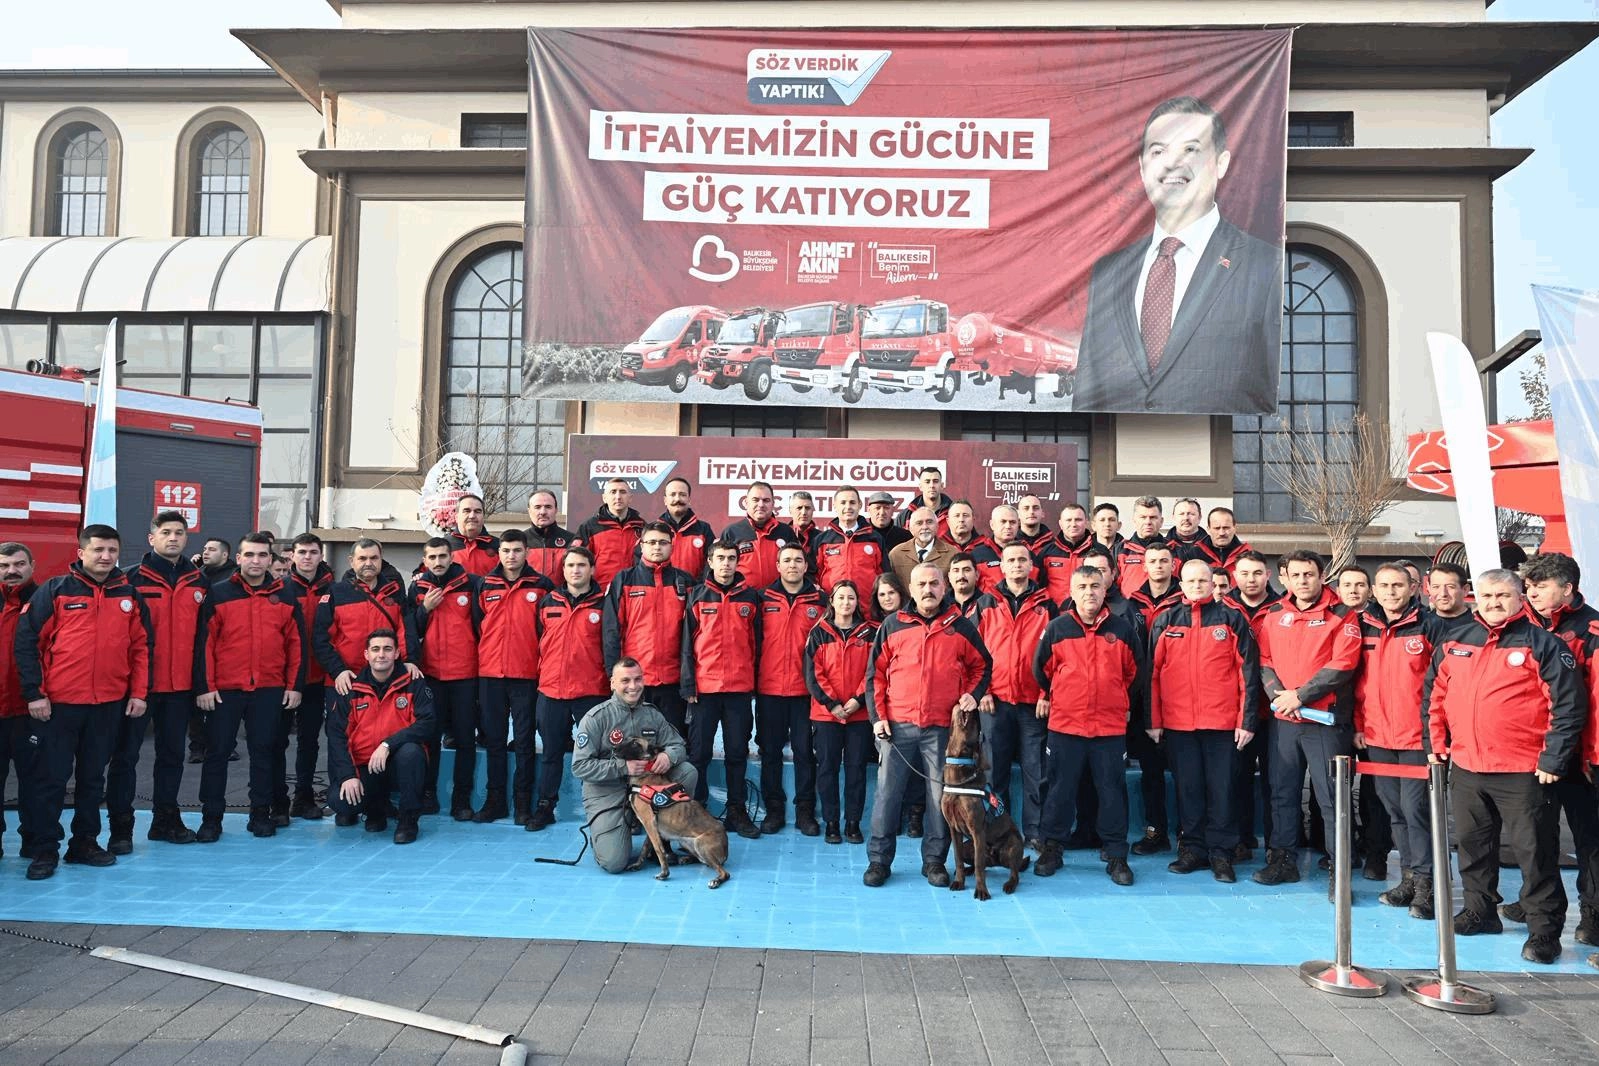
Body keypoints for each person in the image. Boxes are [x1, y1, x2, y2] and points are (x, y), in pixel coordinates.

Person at [1073, 95, 1280, 414]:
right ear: (1142, 167)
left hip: (1220, 444)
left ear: (1221, 163)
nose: (1172, 163)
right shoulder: (1109, 272)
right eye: (1158, 151)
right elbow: (1088, 392)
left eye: (1190, 149)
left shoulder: (1265, 265)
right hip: (1115, 444)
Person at [1423, 569, 1585, 964]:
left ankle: (1544, 931)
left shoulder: (1543, 643)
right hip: (1467, 766)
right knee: (1473, 847)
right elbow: (1436, 695)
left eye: (1503, 596)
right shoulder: (1456, 640)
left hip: (1524, 770)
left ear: (1519, 599)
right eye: (1487, 595)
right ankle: (1480, 911)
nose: (1494, 603)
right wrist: (1436, 743)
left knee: (1535, 853)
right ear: (1476, 598)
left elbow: (1568, 705)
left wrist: (1553, 758)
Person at [14, 525, 151, 880]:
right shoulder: (55, 590)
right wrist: (35, 694)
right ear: (81, 552)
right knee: (51, 779)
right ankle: (45, 849)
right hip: (59, 705)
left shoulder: (130, 595)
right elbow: (27, 644)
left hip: (108, 704)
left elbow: (140, 648)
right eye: (98, 549)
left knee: (92, 780)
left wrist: (138, 693)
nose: (105, 556)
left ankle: (84, 843)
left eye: (112, 550)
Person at [863, 562, 992, 888]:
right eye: (921, 584)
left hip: (941, 729)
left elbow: (983, 665)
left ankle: (934, 861)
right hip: (897, 727)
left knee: (939, 800)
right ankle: (879, 861)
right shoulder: (893, 624)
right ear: (911, 588)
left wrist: (973, 694)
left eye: (934, 583)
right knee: (887, 797)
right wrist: (878, 718)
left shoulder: (960, 626)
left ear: (944, 587)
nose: (928, 590)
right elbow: (875, 676)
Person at [1254, 549, 1362, 888]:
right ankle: (1283, 860)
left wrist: (1300, 696)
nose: (1303, 581)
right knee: (1282, 794)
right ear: (1284, 578)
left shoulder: (1342, 615)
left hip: (1324, 723)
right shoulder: (1274, 614)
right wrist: (1280, 697)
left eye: (1309, 574)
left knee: (1331, 798)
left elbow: (1343, 664)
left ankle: (1339, 869)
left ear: (1321, 576)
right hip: (1285, 722)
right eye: (1296, 575)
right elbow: (1264, 661)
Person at [1032, 565, 1145, 885]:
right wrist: (1063, 696)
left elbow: (1135, 673)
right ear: (1071, 591)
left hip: (1108, 729)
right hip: (1066, 726)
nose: (1089, 592)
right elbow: (1041, 670)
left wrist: (1116, 698)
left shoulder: (1122, 628)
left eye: (1095, 585)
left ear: (1104, 589)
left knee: (1112, 792)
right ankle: (1052, 848)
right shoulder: (1057, 628)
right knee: (1059, 790)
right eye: (1082, 587)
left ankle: (1116, 854)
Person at [1149, 560, 1259, 883]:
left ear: (1214, 584)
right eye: (1191, 581)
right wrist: (1153, 720)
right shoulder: (1166, 620)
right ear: (1181, 584)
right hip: (1179, 725)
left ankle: (1221, 852)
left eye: (1203, 581)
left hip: (1222, 724)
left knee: (1222, 790)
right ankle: (1193, 849)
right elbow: (1152, 674)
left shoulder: (1232, 619)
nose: (1197, 586)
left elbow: (1248, 674)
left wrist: (1246, 721)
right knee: (1189, 789)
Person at [194, 531, 306, 841]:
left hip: (269, 688)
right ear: (239, 558)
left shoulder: (285, 595)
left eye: (262, 555)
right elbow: (205, 644)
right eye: (250, 555)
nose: (256, 561)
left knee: (264, 753)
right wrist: (205, 687)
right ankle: (211, 819)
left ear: (271, 560)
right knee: (217, 754)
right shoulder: (218, 593)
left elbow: (296, 644)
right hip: (225, 690)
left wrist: (294, 685)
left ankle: (260, 815)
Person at [1519, 552, 1599, 945]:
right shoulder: (1521, 626)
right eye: (1529, 586)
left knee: (1589, 840)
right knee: (1535, 835)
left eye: (1542, 586)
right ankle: (1533, 904)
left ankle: (1592, 915)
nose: (1533, 593)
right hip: (1531, 753)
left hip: (1579, 757)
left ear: (1568, 589)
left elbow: (1591, 700)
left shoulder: (1592, 631)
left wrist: (1585, 753)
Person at [116, 512, 206, 849]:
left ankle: (165, 821)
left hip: (180, 689)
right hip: (139, 689)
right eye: (166, 532)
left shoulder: (199, 581)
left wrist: (201, 685)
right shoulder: (130, 580)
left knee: (172, 757)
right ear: (151, 537)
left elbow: (205, 639)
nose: (173, 538)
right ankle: (121, 829)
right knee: (125, 758)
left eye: (179, 532)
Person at [1356, 561, 1439, 919]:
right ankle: (1408, 877)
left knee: (1416, 811)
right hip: (1377, 737)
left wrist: (1436, 736)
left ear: (1412, 589)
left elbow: (1441, 684)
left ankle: (1427, 884)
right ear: (1374, 591)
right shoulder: (1364, 626)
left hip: (1416, 738)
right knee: (1395, 812)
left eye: (1398, 585)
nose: (1391, 592)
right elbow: (1356, 682)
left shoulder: (1429, 626)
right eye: (1384, 586)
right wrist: (1359, 725)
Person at [571, 658, 698, 874]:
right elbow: (580, 766)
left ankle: (661, 841)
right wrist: (623, 768)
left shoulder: (652, 714)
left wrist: (668, 756)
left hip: (646, 790)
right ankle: (603, 834)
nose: (633, 686)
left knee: (687, 772)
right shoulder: (596, 718)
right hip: (609, 793)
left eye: (638, 679)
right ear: (612, 683)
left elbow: (678, 745)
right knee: (614, 863)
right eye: (625, 680)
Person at [972, 542, 1056, 849]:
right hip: (994, 703)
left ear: (1031, 566)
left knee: (1037, 772)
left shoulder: (1048, 605)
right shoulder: (985, 604)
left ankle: (1035, 833)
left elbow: (1056, 656)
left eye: (1023, 559)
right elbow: (973, 653)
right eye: (1011, 560)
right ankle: (999, 831)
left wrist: (1046, 693)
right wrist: (983, 691)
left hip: (1034, 703)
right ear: (1002, 566)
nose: (1017, 564)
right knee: (995, 773)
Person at [680, 542, 762, 839]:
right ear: (710, 561)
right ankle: (698, 811)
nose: (726, 563)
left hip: (739, 689)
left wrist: (755, 683)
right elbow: (686, 644)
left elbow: (758, 644)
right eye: (720, 558)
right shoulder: (696, 596)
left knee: (737, 753)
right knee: (699, 753)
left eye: (731, 558)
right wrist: (689, 684)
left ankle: (737, 811)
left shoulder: (751, 597)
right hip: (704, 689)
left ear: (738, 562)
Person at [325, 628, 436, 845]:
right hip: (365, 766)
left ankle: (408, 820)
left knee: (411, 752)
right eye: (375, 649)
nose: (381, 654)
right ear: (366, 654)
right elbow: (337, 736)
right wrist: (348, 776)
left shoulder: (414, 683)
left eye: (387, 649)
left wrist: (388, 744)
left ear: (397, 653)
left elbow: (427, 723)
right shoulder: (352, 688)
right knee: (339, 801)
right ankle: (375, 809)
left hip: (398, 765)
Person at [474, 528, 553, 825]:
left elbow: (546, 630)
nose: (511, 556)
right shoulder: (484, 585)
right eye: (506, 550)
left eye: (517, 550)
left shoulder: (542, 585)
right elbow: (477, 626)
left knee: (523, 741)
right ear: (499, 553)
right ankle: (495, 802)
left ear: (526, 552)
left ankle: (522, 804)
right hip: (490, 674)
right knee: (495, 741)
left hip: (525, 675)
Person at [531, 546, 610, 831]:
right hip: (552, 691)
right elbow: (538, 640)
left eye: (581, 565)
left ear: (592, 569)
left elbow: (611, 644)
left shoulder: (604, 604)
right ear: (563, 570)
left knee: (598, 755)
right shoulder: (547, 601)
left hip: (591, 691)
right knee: (551, 753)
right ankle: (545, 807)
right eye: (570, 565)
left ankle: (605, 811)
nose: (576, 570)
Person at [409, 536, 481, 821]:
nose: (438, 562)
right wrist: (424, 609)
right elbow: (409, 631)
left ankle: (461, 800)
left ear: (452, 557)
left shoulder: (472, 584)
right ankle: (428, 795)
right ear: (424, 560)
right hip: (431, 676)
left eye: (442, 556)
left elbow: (481, 627)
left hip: (465, 675)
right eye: (432, 557)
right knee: (430, 738)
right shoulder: (417, 588)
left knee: (465, 740)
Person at [756, 544, 824, 835]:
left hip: (804, 692)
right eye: (787, 560)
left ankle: (805, 811)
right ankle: (774, 810)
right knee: (770, 752)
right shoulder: (762, 598)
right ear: (778, 566)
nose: (793, 565)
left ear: (806, 566)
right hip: (769, 689)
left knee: (804, 753)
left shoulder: (821, 600)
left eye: (798, 560)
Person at [603, 521, 693, 737]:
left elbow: (694, 635)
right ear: (641, 545)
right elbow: (611, 632)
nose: (657, 547)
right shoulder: (624, 579)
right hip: (635, 681)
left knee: (672, 744)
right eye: (651, 542)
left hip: (673, 681)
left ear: (672, 546)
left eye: (663, 542)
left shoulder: (685, 581)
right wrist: (613, 674)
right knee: (633, 746)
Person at [805, 580, 877, 845]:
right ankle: (832, 822)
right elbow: (813, 673)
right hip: (827, 715)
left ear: (857, 602)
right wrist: (832, 704)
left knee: (856, 769)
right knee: (828, 768)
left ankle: (853, 823)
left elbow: (873, 671)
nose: (846, 602)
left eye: (851, 598)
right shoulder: (818, 632)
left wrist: (858, 700)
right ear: (832, 601)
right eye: (841, 597)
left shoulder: (869, 633)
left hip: (859, 715)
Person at [313, 539, 421, 694]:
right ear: (351, 561)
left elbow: (406, 631)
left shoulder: (394, 592)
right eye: (362, 558)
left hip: (388, 681)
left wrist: (409, 660)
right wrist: (338, 671)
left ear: (381, 559)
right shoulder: (336, 593)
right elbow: (321, 638)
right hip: (346, 681)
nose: (368, 563)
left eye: (374, 558)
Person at [1226, 549, 1279, 859]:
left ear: (1267, 575)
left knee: (1276, 784)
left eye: (1257, 573)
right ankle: (1240, 841)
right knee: (1236, 780)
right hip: (1234, 713)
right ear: (1235, 575)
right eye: (1244, 573)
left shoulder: (1281, 608)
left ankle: (1276, 846)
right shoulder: (1223, 608)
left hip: (1274, 712)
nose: (1251, 579)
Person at [0, 542, 47, 865]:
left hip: (31, 710)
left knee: (35, 783)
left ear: (32, 566)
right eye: (4, 566)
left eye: (18, 564)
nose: (11, 571)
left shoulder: (46, 601)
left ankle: (35, 842)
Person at [283, 533, 334, 819]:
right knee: (275, 741)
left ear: (320, 555)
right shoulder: (281, 588)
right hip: (285, 679)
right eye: (301, 552)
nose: (307, 557)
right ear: (292, 555)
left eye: (313, 552)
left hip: (318, 678)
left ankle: (303, 797)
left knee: (309, 740)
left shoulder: (334, 589)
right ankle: (276, 800)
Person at [716, 481, 799, 589]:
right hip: (742, 596)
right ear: (746, 503)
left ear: (773, 504)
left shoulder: (786, 532)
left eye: (766, 500)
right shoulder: (732, 532)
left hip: (779, 596)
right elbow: (718, 569)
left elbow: (799, 565)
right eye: (755, 500)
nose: (761, 505)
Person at [814, 485, 885, 605]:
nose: (848, 507)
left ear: (860, 505)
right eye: (843, 503)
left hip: (867, 608)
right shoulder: (822, 540)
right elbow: (812, 574)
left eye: (852, 502)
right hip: (831, 608)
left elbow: (884, 575)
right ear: (835, 506)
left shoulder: (875, 538)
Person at [577, 477, 645, 590]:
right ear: (604, 498)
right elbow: (577, 560)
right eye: (613, 492)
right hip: (601, 592)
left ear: (630, 498)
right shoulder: (590, 527)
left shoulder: (642, 527)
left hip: (634, 592)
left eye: (623, 492)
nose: (618, 496)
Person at [1039, 503, 1095, 608]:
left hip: (1089, 612)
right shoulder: (1046, 553)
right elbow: (1038, 587)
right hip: (1055, 613)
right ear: (1060, 524)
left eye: (1078, 520)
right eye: (1068, 520)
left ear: (1086, 522)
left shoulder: (1098, 551)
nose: (1073, 524)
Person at [660, 476, 715, 580]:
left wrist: (699, 587)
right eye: (673, 494)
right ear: (665, 500)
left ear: (689, 500)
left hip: (695, 589)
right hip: (662, 589)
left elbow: (712, 563)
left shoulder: (704, 529)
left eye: (682, 495)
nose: (677, 499)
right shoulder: (655, 530)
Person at [888, 505, 955, 589]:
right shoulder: (896, 555)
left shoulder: (952, 554)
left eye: (929, 522)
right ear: (910, 528)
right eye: (919, 523)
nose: (925, 527)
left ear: (937, 526)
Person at [1116, 496, 1168, 598]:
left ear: (1161, 521)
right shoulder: (1120, 551)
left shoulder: (1174, 550)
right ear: (1134, 520)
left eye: (1153, 517)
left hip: (1166, 607)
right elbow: (1110, 586)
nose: (1148, 522)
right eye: (1143, 517)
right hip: (1130, 607)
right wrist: (1123, 606)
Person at [525, 489, 578, 579]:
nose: (543, 512)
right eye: (537, 507)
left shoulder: (572, 540)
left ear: (556, 510)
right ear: (529, 511)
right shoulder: (520, 541)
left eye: (548, 507)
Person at [971, 504, 1023, 595]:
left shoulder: (1028, 555)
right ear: (992, 524)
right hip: (988, 603)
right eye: (1003, 521)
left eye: (1012, 522)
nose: (1008, 526)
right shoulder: (976, 555)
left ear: (1018, 524)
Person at [448, 493, 500, 576]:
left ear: (483, 517)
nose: (472, 516)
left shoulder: (499, 546)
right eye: (467, 511)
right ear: (456, 517)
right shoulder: (443, 546)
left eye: (477, 511)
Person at [895, 467, 953, 534]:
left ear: (942, 485)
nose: (931, 485)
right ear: (920, 487)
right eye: (927, 482)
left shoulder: (953, 513)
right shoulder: (905, 516)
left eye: (935, 481)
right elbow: (896, 539)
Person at [1426, 562, 1476, 640]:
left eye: (1450, 587)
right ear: (1428, 588)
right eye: (1436, 587)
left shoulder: (1480, 625)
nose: (1443, 593)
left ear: (1465, 590)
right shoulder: (1420, 626)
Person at [1202, 506, 1251, 578]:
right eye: (1217, 528)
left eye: (1226, 528)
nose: (1221, 533)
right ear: (1208, 529)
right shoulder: (1195, 554)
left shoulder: (1248, 555)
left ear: (1234, 528)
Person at [1165, 498, 1210, 562]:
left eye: (1191, 514)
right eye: (1181, 514)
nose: (1186, 518)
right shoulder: (1163, 546)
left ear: (1199, 517)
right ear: (1173, 517)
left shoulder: (1212, 545)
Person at [786, 490, 822, 561]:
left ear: (813, 510)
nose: (804, 512)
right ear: (790, 511)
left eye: (807, 508)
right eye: (799, 508)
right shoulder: (782, 535)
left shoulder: (821, 538)